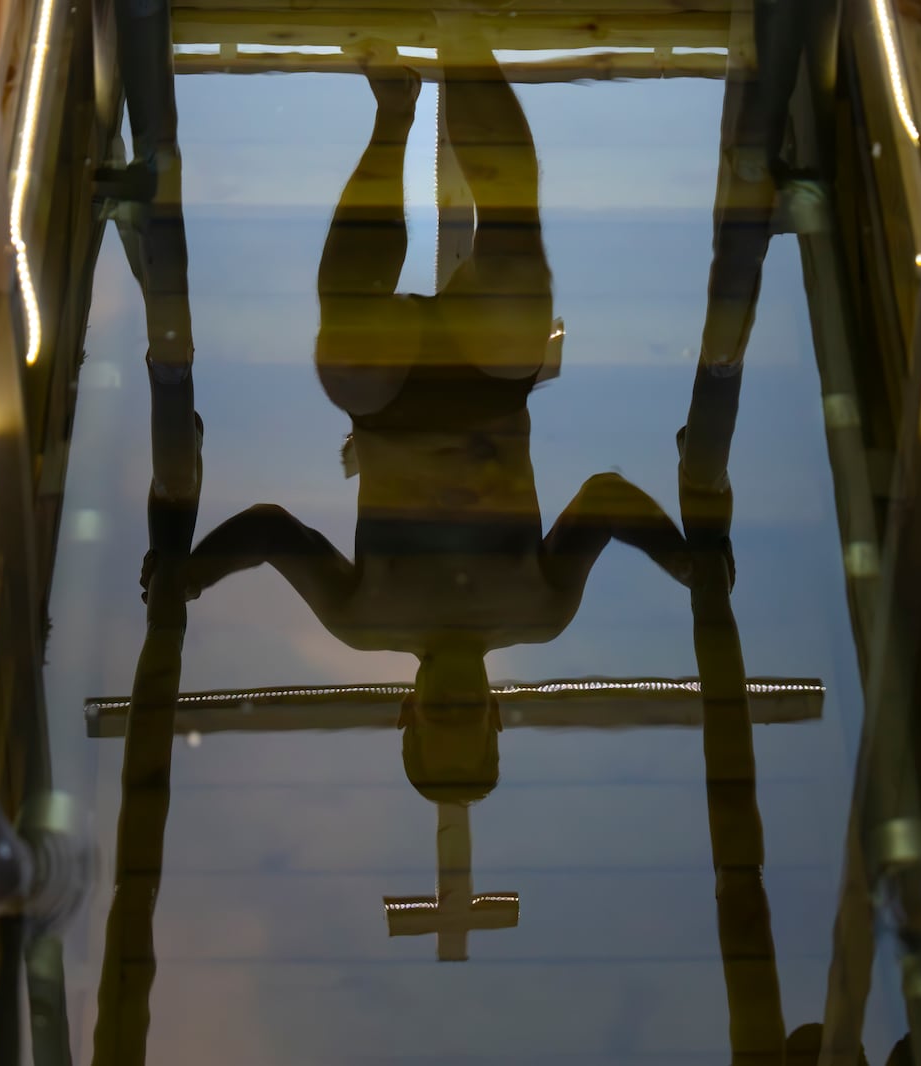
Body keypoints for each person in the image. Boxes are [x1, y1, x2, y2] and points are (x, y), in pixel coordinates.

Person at [183, 25, 691, 804]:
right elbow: (608, 499)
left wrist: (192, 578)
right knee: (517, 245)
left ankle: (395, 114)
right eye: (469, 714)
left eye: (437, 713)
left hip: (386, 399)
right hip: (489, 379)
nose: (454, 700)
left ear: (408, 712)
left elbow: (267, 530)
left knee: (347, 357)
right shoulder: (540, 610)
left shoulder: (364, 620)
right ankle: (465, 38)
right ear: (493, 712)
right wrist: (684, 563)